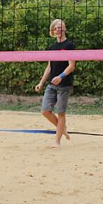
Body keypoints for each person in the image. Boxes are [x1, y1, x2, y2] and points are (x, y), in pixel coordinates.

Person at [34, 19, 76, 147]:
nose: (59, 29)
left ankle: (57, 141)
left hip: (64, 85)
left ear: (65, 29)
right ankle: (62, 128)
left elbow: (72, 65)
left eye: (61, 27)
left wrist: (61, 76)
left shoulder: (69, 45)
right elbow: (49, 67)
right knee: (45, 111)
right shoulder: (52, 47)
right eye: (56, 28)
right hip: (52, 85)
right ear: (53, 30)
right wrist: (41, 82)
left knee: (61, 113)